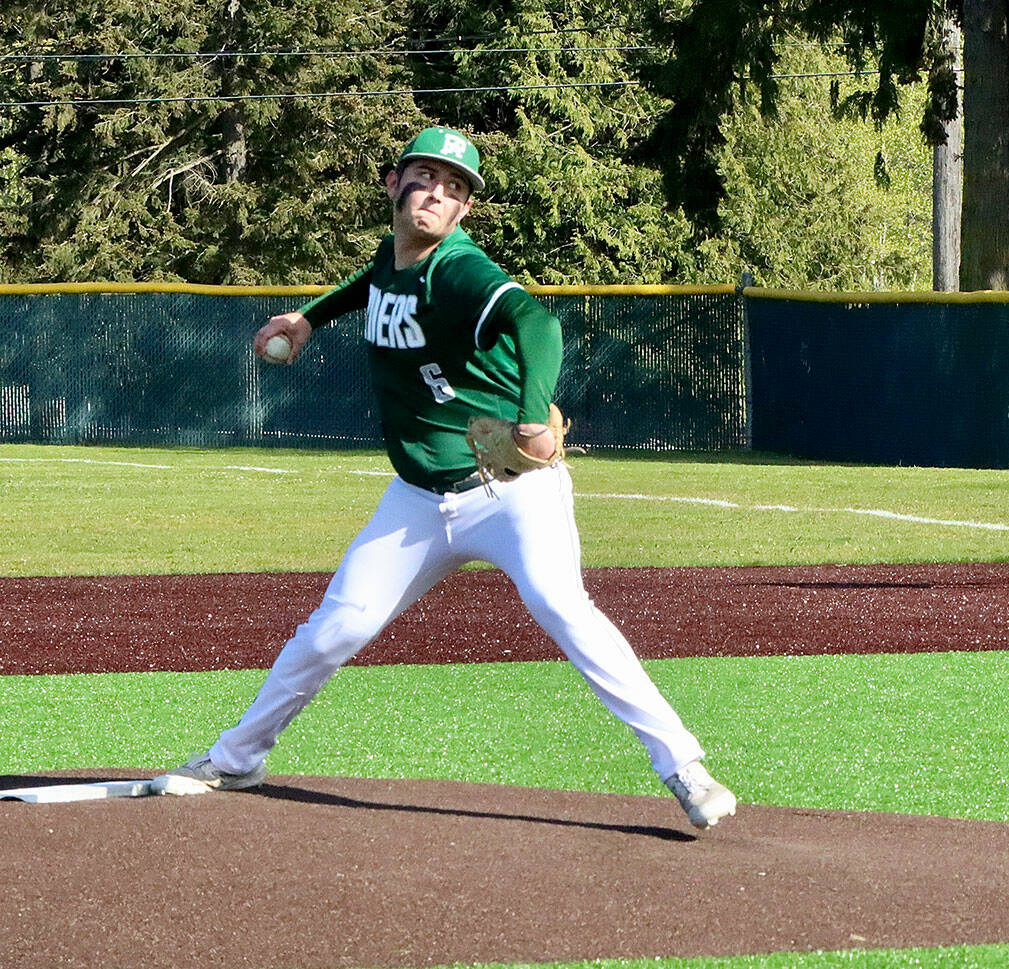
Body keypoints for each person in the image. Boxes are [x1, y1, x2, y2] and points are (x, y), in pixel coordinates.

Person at [151, 126, 737, 830]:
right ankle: (239, 756)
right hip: (419, 500)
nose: (438, 193)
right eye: (426, 178)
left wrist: (530, 415)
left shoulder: (459, 269)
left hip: (509, 491)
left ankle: (683, 767)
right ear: (393, 185)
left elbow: (536, 323)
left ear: (464, 211)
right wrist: (309, 317)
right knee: (337, 626)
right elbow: (371, 282)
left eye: (455, 188)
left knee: (563, 608)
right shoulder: (396, 262)